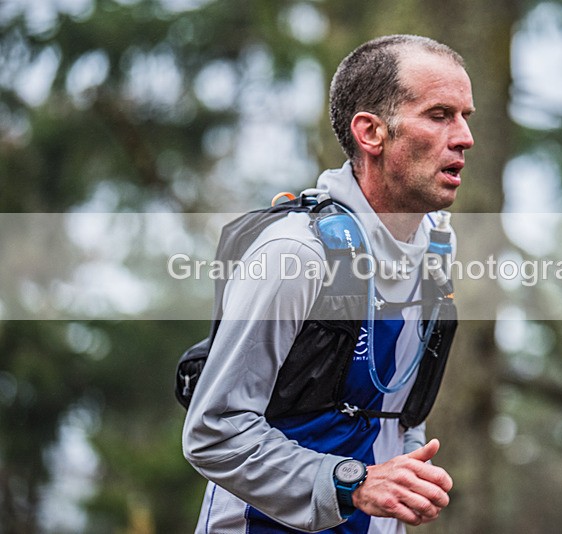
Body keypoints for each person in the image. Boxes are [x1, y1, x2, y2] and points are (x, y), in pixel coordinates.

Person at [182, 34, 475, 533]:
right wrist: (353, 485)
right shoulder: (295, 253)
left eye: (466, 116)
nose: (465, 137)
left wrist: (404, 484)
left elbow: (400, 414)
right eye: (440, 115)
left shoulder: (435, 255)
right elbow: (214, 432)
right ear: (371, 132)